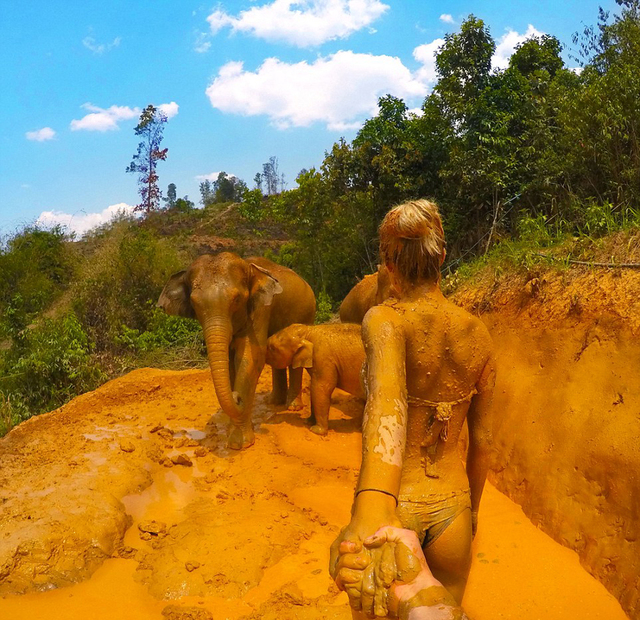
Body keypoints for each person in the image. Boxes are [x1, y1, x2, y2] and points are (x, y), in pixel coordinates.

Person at [330, 199, 495, 617]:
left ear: (387, 262)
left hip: (394, 506)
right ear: (442, 254)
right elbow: (485, 442)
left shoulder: (385, 319)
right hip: (454, 506)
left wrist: (368, 508)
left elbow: (386, 409)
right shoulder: (478, 333)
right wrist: (472, 513)